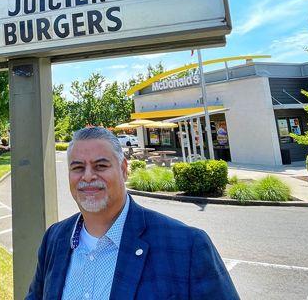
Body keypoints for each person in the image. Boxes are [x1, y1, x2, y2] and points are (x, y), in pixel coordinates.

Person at [26, 127, 239, 299]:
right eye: (78, 167)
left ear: (124, 169)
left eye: (101, 165)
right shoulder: (54, 239)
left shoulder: (188, 246)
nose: (88, 176)